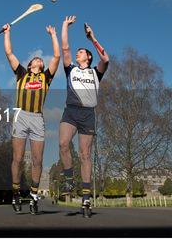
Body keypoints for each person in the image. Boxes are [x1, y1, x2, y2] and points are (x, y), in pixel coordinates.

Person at [2, 23, 60, 214]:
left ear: (42, 66)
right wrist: (7, 32)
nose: (38, 59)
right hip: (21, 116)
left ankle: (34, 196)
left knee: (37, 160)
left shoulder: (46, 77)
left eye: (40, 60)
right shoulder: (21, 74)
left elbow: (57, 57)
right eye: (35, 59)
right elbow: (9, 53)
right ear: (29, 65)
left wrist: (53, 34)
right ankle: (16, 192)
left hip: (37, 119)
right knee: (17, 158)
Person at [59, 15, 109, 218]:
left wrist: (92, 39)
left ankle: (86, 196)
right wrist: (65, 26)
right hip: (70, 111)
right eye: (77, 52)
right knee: (63, 144)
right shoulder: (70, 69)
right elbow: (65, 49)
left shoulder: (96, 73)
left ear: (88, 57)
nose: (78, 53)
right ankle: (69, 178)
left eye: (81, 52)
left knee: (85, 154)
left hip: (88, 114)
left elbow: (105, 59)